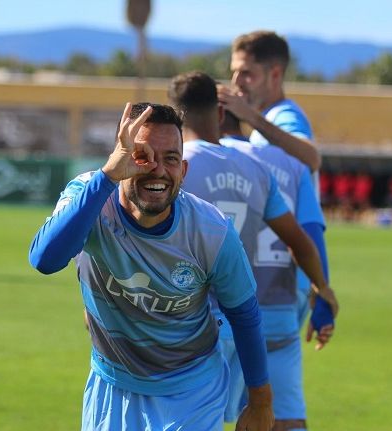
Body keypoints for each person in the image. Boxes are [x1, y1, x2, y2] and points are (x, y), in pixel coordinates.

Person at [29, 102, 275, 431]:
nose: (158, 170)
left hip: (191, 390)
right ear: (123, 155)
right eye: (143, 156)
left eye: (171, 159)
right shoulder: (89, 196)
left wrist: (260, 403)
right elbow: (45, 260)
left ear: (183, 171)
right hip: (112, 382)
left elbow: (245, 314)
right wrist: (107, 178)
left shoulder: (212, 231)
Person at [168, 72, 338, 430]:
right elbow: (302, 239)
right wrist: (322, 287)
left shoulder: (177, 169)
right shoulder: (259, 167)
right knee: (283, 418)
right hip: (254, 320)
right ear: (220, 112)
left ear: (176, 116)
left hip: (193, 325)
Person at [217, 30, 321, 177]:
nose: (236, 81)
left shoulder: (285, 115)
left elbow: (312, 158)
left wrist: (250, 116)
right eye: (234, 72)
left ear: (275, 75)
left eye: (246, 73)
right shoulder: (270, 118)